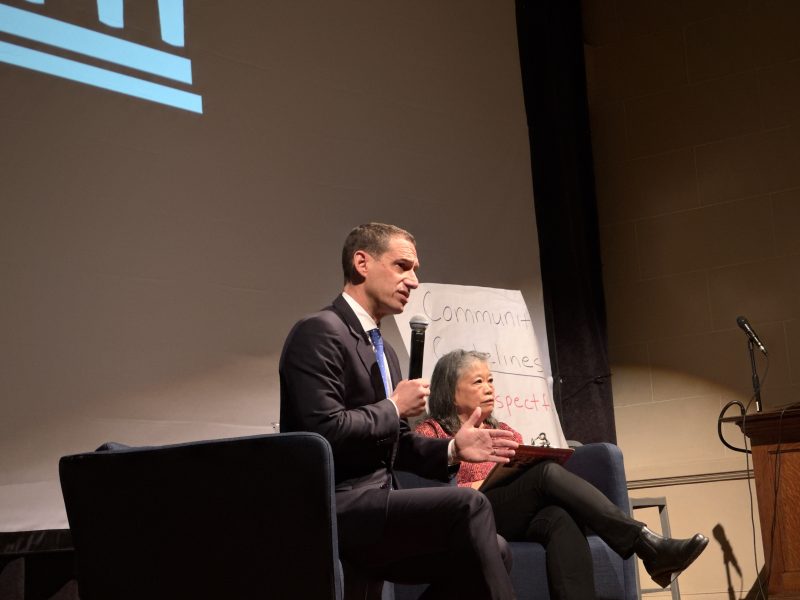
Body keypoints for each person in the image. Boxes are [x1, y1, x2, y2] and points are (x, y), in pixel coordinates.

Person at [279, 223, 520, 599]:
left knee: (495, 550)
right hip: (338, 503)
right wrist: (393, 407)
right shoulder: (319, 331)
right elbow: (321, 430)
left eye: (415, 270)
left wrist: (454, 448)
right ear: (362, 263)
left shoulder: (385, 352)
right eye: (402, 266)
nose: (414, 281)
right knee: (469, 504)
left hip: (378, 505)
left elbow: (398, 444)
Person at [416, 349, 709, 600]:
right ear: (452, 394)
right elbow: (425, 489)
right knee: (544, 474)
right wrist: (475, 482)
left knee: (559, 516)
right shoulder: (432, 433)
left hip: (506, 515)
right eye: (478, 382)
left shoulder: (505, 432)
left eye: (491, 380)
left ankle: (648, 549)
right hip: (467, 516)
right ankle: (648, 545)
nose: (489, 388)